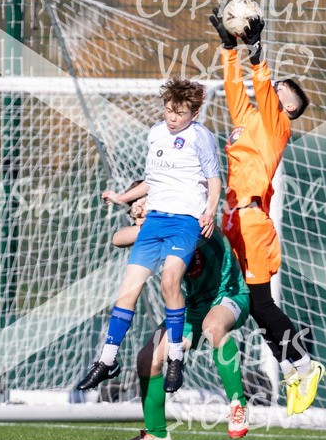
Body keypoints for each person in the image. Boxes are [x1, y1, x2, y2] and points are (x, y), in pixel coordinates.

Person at [209, 7, 324, 416]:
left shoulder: (278, 126)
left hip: (254, 220)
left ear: (288, 109)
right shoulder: (248, 119)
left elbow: (258, 85)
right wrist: (228, 48)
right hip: (231, 220)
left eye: (280, 91)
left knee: (261, 304)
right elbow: (235, 89)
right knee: (253, 307)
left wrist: (256, 52)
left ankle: (306, 365)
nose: (272, 90)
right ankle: (292, 368)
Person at [76, 78, 222, 394]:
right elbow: (153, 181)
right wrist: (122, 198)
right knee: (127, 290)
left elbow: (213, 179)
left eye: (180, 113)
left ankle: (174, 358)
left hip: (185, 221)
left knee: (170, 281)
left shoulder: (201, 137)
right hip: (154, 220)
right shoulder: (155, 133)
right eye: (169, 110)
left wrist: (209, 210)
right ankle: (107, 360)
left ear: (194, 113)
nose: (172, 117)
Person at [109, 187, 251, 440]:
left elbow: (202, 229)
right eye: (133, 210)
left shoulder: (192, 217)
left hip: (229, 294)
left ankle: (238, 404)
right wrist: (148, 225)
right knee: (146, 360)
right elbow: (118, 238)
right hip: (194, 306)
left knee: (213, 326)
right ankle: (156, 434)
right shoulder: (157, 231)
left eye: (139, 203)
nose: (137, 210)